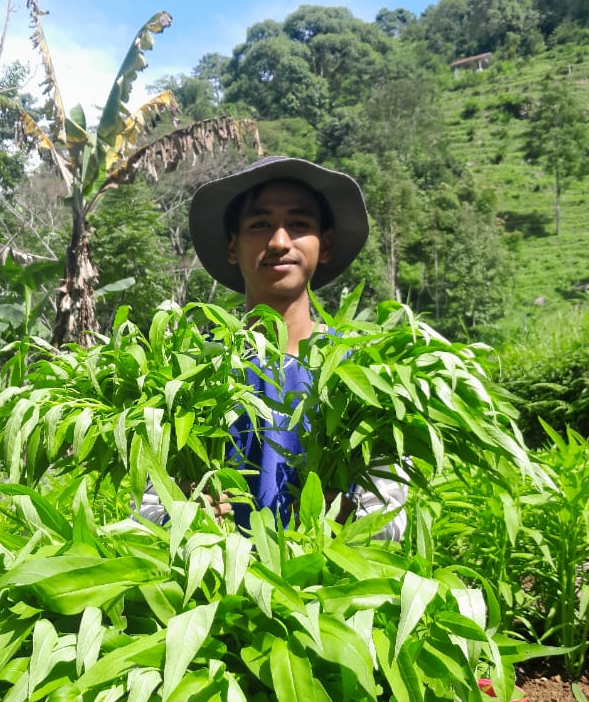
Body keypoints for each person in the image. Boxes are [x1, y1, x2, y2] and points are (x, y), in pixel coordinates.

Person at [142, 155, 407, 539]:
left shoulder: (363, 370)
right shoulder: (188, 373)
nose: (279, 241)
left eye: (298, 224)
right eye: (260, 224)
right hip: (211, 591)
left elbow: (392, 513)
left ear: (326, 244)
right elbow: (144, 504)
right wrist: (178, 513)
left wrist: (351, 517)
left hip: (328, 591)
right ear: (233, 246)